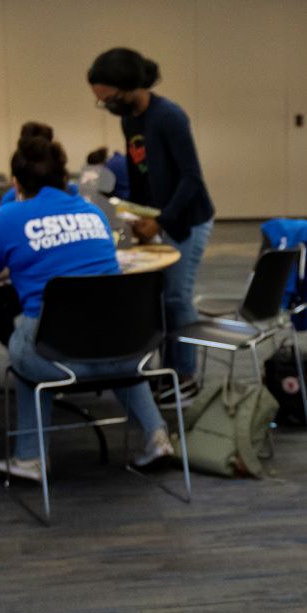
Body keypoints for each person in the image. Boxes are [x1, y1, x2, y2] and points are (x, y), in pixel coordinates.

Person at [0, 132, 175, 483]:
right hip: (128, 346)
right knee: (110, 338)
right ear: (65, 178)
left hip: (57, 355)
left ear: (16, 182)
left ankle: (31, 457)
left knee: (26, 345)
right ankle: (157, 436)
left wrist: (6, 271)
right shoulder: (93, 213)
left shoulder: (9, 216)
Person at [86, 48, 214, 389]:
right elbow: (138, 171)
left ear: (128, 86)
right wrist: (134, 215)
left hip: (188, 219)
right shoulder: (130, 120)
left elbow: (191, 177)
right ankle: (167, 374)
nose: (107, 106)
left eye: (109, 98)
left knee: (176, 297)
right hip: (159, 217)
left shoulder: (169, 117)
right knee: (157, 298)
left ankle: (184, 377)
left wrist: (162, 220)